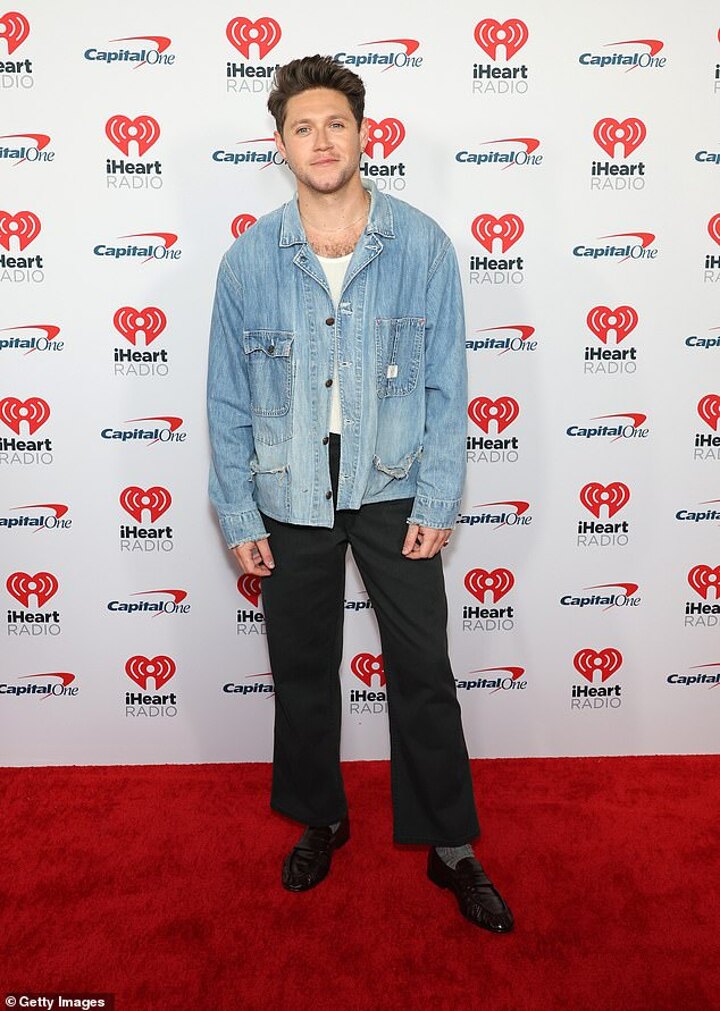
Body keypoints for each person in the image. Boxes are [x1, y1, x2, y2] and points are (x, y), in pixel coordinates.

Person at [207, 54, 513, 933]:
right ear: (280, 144)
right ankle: (321, 817)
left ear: (364, 134)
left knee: (424, 670)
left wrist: (439, 496)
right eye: (302, 127)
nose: (321, 140)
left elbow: (448, 384)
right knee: (303, 669)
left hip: (394, 479)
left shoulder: (422, 244)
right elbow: (227, 397)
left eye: (335, 123)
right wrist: (237, 508)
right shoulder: (247, 261)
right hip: (288, 484)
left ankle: (451, 846)